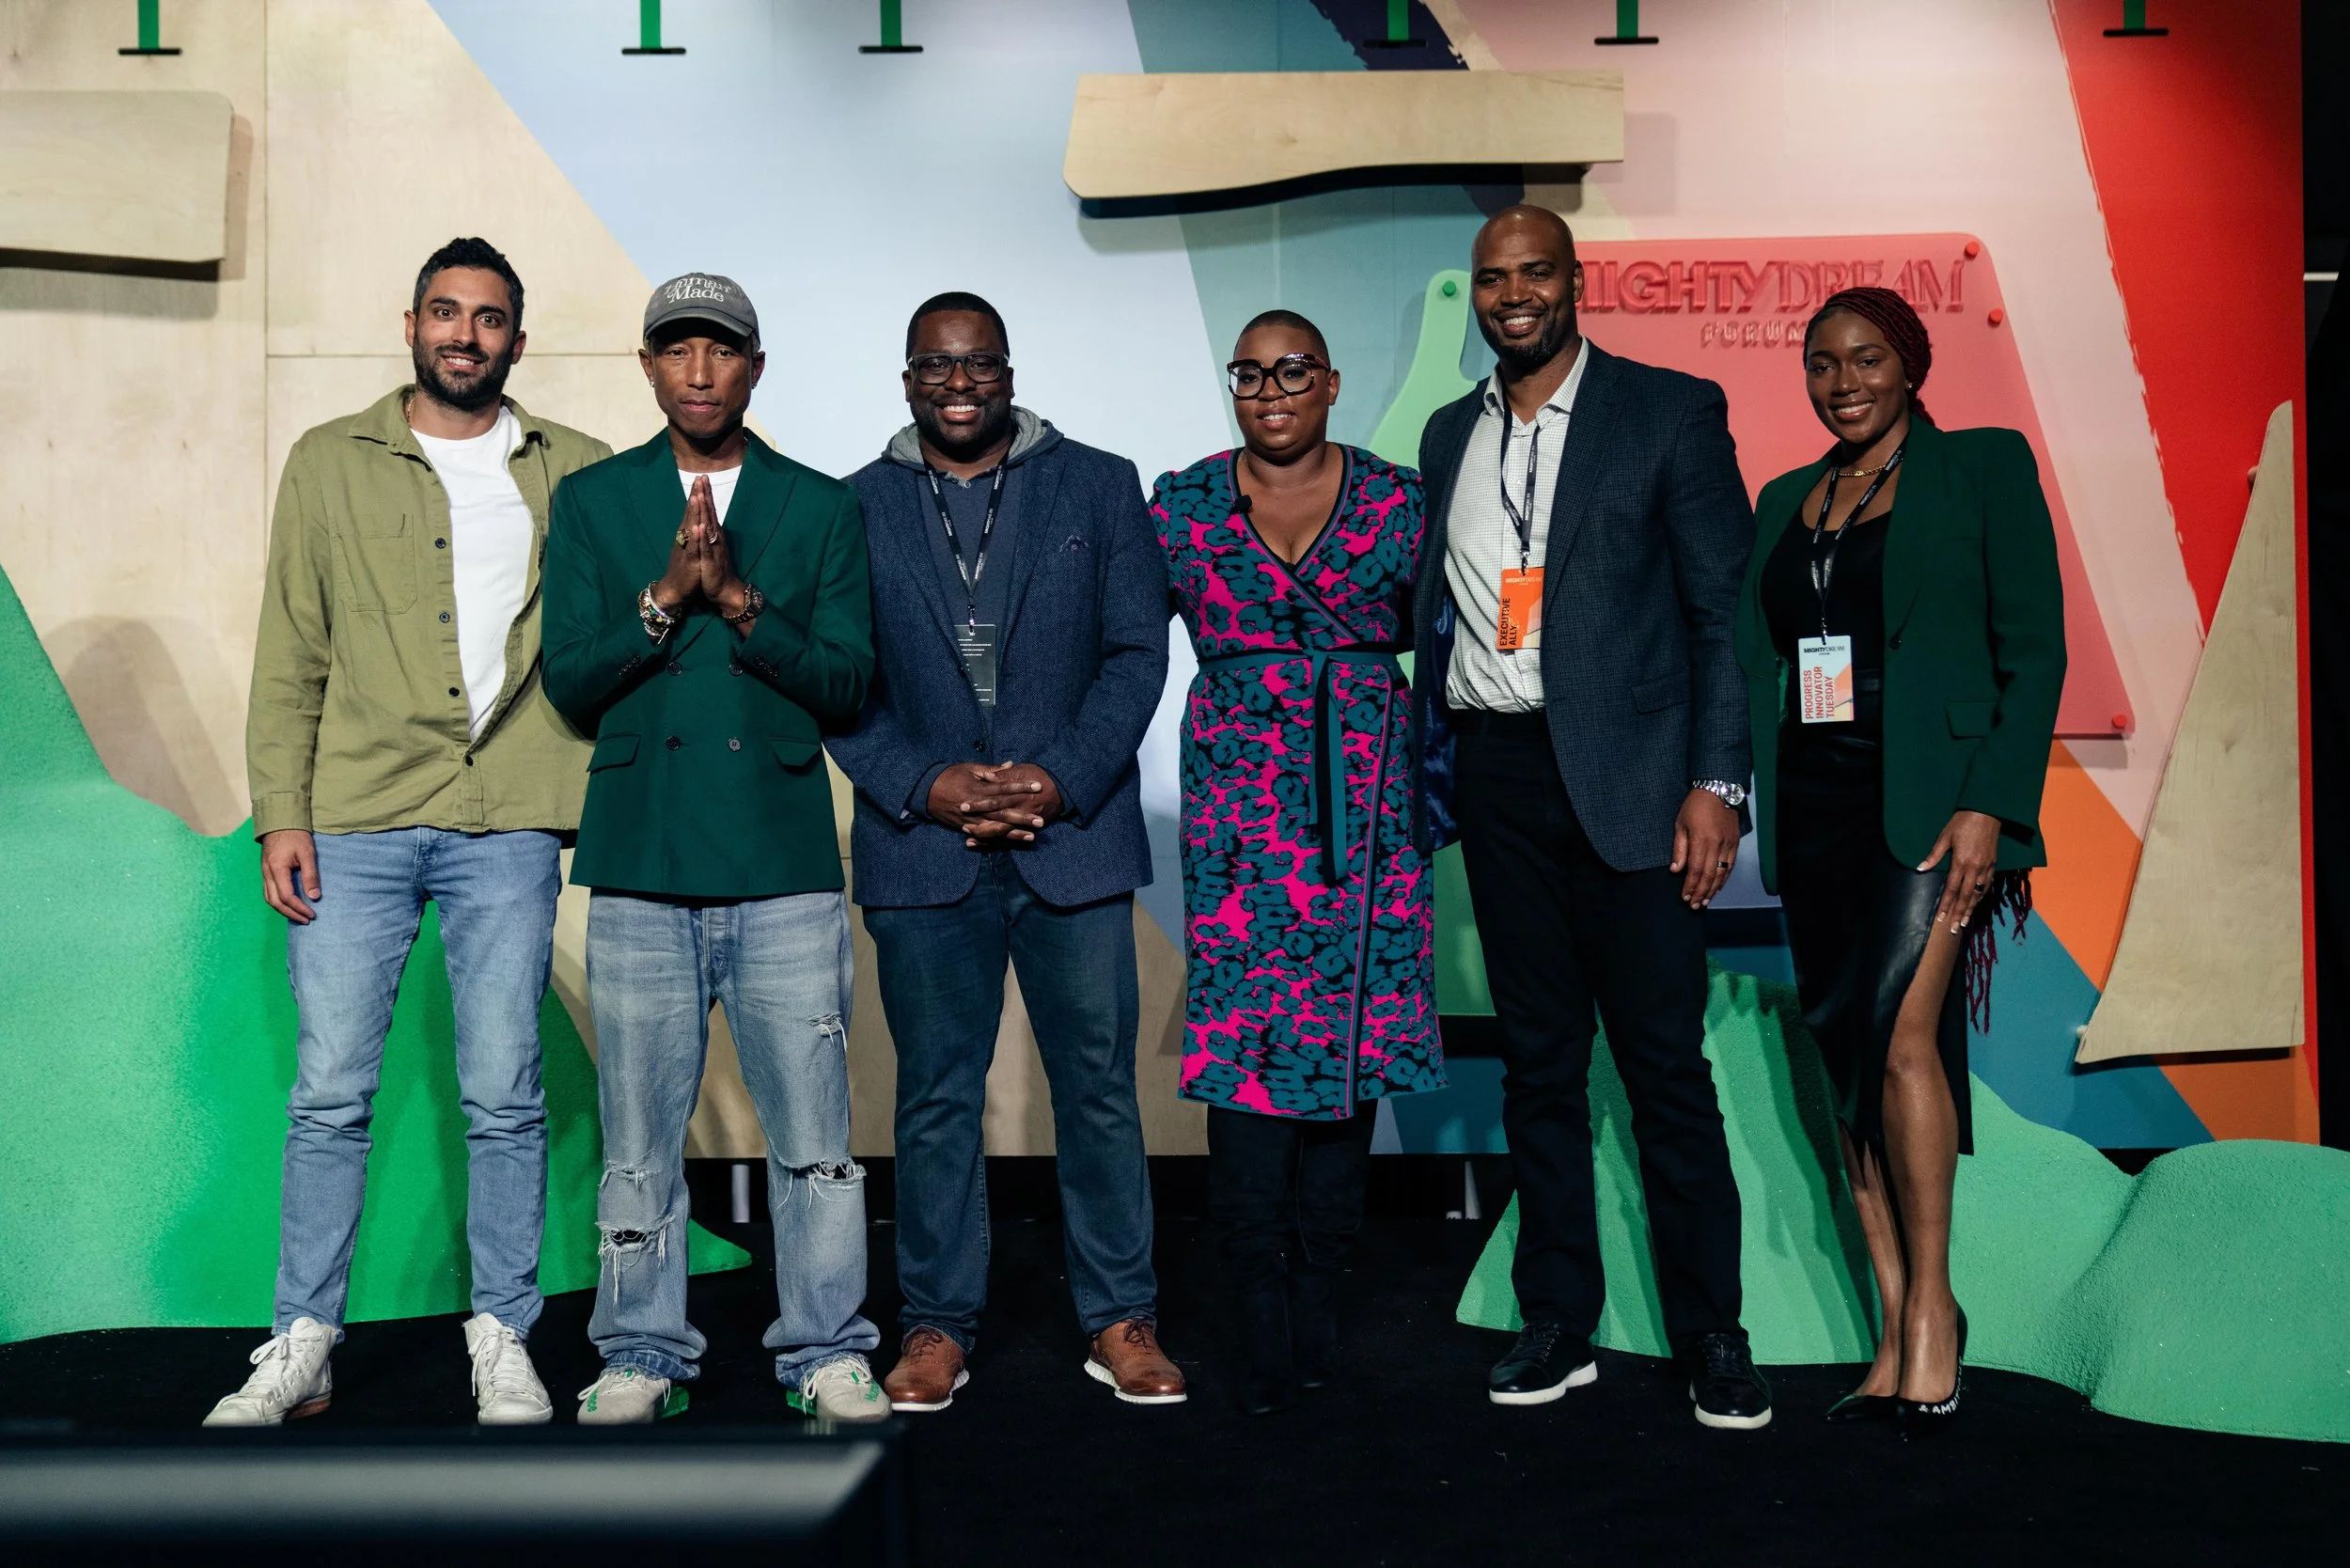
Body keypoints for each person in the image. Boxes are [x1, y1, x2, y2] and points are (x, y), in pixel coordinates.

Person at [211, 238, 611, 1428]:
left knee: (505, 1091)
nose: (465, 335)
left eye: (489, 319)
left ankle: (502, 1336)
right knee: (329, 1093)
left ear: (517, 343)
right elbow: (292, 648)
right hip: (358, 815)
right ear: (411, 323)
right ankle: (302, 1341)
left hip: (509, 823)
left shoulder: (577, 473)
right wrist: (282, 810)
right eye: (447, 312)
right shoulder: (328, 463)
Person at [1409, 206, 1773, 1428]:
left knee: (1666, 1072)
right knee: (1538, 1070)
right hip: (1499, 776)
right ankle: (1556, 1319)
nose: (1512, 295)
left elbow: (1727, 617)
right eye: (1491, 278)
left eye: (1533, 274)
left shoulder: (1666, 412)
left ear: (1576, 282)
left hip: (1635, 789)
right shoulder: (1446, 432)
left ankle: (1712, 1334)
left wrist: (1718, 785)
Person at [827, 292, 1183, 1409]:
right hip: (920, 847)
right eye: (936, 366)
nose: (959, 382)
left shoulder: (1101, 483)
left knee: (1098, 1091)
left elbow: (1135, 650)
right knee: (933, 1096)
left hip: (1070, 838)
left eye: (979, 362)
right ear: (905, 381)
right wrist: (921, 785)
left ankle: (1122, 1318)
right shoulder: (854, 509)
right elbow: (838, 683)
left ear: (1011, 370)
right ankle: (935, 1327)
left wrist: (1057, 779)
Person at [541, 274, 883, 1424]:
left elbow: (845, 682)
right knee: (639, 1137)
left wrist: (736, 601)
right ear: (646, 367)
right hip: (641, 858)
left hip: (781, 860)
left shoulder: (821, 506)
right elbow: (573, 685)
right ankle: (640, 1351)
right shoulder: (593, 502)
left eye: (721, 350)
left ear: (755, 368)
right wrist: (660, 598)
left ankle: (826, 1348)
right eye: (676, 349)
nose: (699, 369)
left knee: (817, 1138)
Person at [1735, 287, 2062, 1432]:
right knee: (1844, 1055)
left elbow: (2034, 649)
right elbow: (1754, 665)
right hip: (1816, 804)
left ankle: (1935, 1312)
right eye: (1820, 363)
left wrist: (1991, 807)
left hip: (1931, 802)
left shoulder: (1980, 467)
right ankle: (1890, 1321)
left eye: (1866, 358)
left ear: (1911, 364)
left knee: (1903, 1036)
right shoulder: (1785, 501)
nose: (1842, 381)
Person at [1154, 309, 1444, 1416]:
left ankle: (1319, 1297)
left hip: (1367, 818)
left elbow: (1457, 639)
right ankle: (1255, 1308)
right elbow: (1129, 640)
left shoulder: (1396, 499)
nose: (1269, 391)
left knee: (1350, 1056)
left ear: (1330, 381)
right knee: (1246, 1061)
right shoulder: (1181, 502)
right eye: (1248, 374)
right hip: (1239, 828)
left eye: (1291, 372)